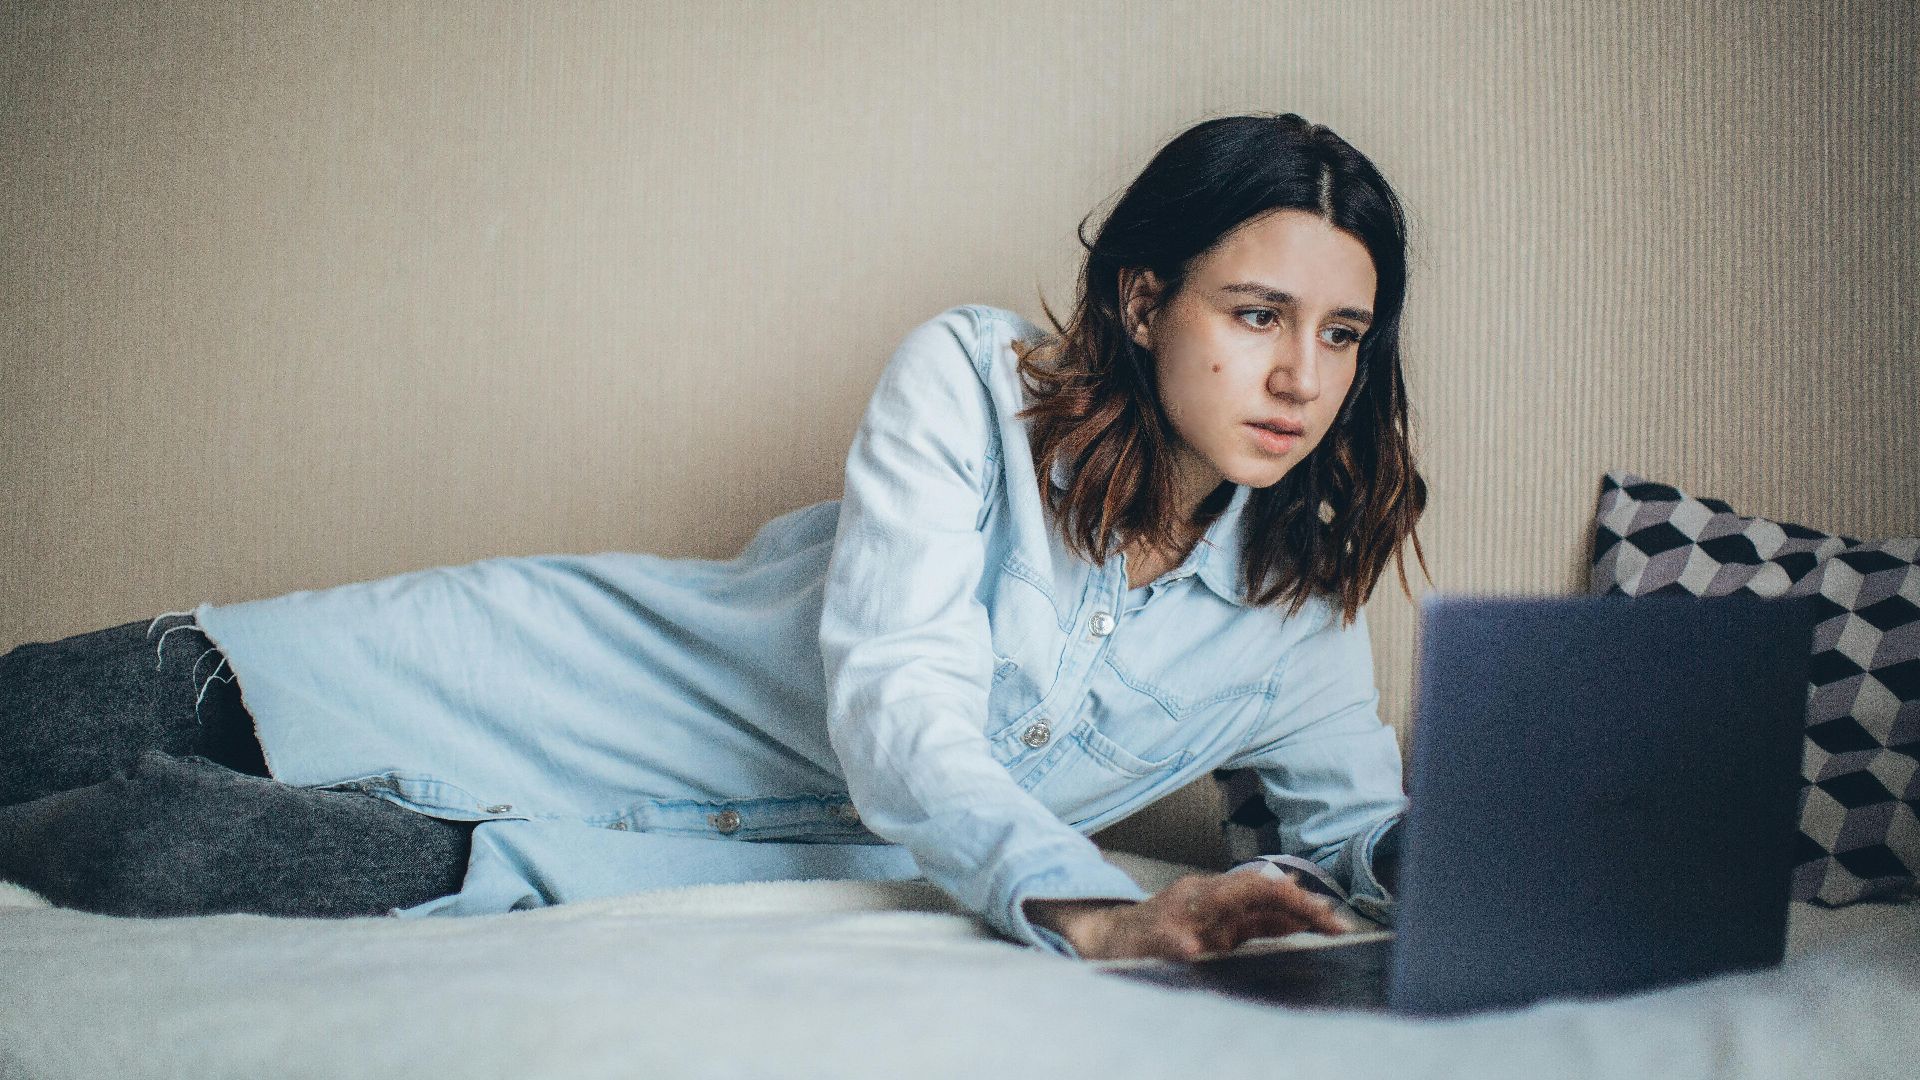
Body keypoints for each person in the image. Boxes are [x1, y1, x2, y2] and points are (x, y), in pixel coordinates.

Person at [0, 111, 1428, 961]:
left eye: (1343, 334)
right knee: (40, 716)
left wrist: (1502, 854)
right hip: (533, 681)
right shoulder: (975, 385)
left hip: (546, 860)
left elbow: (1356, 828)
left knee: (134, 866)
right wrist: (1087, 907)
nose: (1304, 377)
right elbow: (902, 715)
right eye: (1258, 316)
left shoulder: (1299, 611)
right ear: (1139, 300)